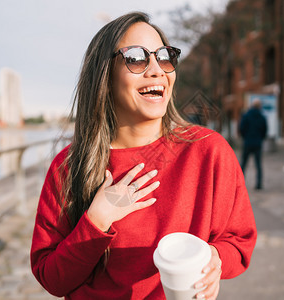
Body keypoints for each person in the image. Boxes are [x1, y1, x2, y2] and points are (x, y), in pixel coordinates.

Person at [30, 12, 257, 300]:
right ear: (104, 75)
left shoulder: (209, 151)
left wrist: (215, 256)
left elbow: (240, 240)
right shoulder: (69, 167)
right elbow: (53, 279)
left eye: (164, 56)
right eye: (136, 58)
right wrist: (96, 220)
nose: (157, 70)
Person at [238, 99, 268, 190]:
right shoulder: (262, 117)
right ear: (259, 106)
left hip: (247, 142)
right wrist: (260, 139)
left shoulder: (246, 116)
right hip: (257, 143)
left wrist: (245, 137)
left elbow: (241, 128)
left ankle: (239, 184)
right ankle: (259, 184)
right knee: (258, 164)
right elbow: (265, 131)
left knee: (243, 164)